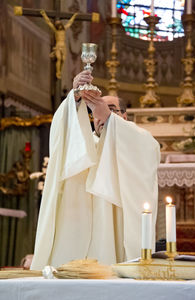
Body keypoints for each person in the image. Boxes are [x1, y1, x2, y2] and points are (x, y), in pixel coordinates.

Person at [31, 70, 160, 270]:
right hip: (77, 230)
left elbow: (148, 150)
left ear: (124, 116)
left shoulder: (138, 138)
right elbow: (62, 134)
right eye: (94, 109)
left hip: (114, 235)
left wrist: (109, 118)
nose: (99, 115)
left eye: (110, 109)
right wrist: (74, 98)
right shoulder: (82, 144)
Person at [40, 10, 78, 79]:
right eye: (58, 25)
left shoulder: (64, 30)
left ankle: (60, 70)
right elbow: (49, 22)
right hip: (58, 46)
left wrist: (74, 16)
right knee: (59, 58)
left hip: (63, 46)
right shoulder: (56, 31)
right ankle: (58, 72)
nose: (59, 26)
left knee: (63, 59)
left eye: (60, 24)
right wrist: (44, 15)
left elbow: (69, 23)